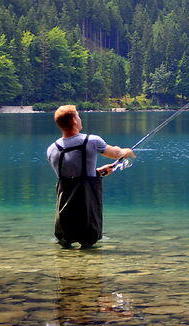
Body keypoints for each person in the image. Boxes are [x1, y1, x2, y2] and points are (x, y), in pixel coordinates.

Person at [47, 104, 136, 249]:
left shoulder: (51, 149)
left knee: (65, 240)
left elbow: (70, 175)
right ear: (74, 120)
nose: (80, 118)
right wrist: (126, 151)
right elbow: (115, 153)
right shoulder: (92, 141)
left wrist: (97, 171)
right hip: (86, 198)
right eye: (78, 115)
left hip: (65, 200)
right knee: (88, 240)